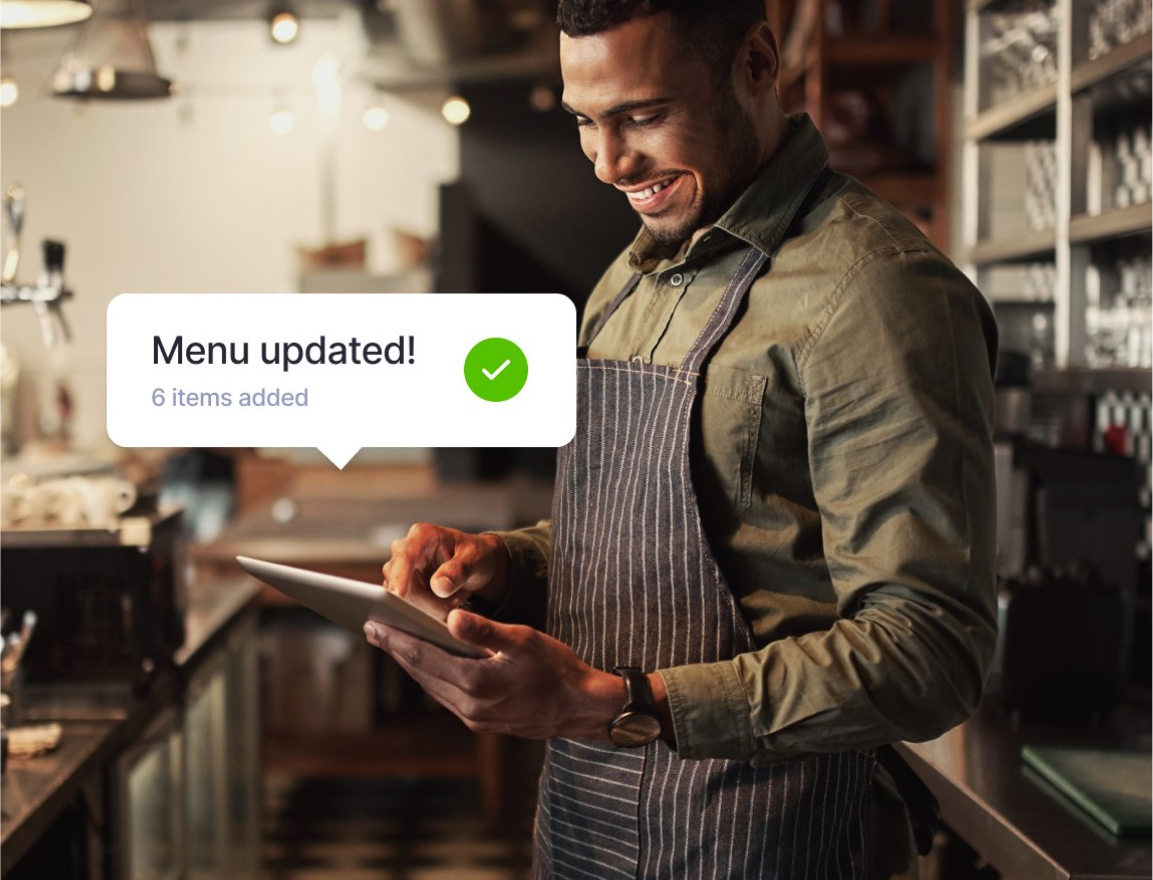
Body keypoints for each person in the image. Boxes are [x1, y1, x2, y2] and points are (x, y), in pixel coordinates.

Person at [363, 1, 998, 877]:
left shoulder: (877, 292)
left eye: (643, 115)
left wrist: (628, 705)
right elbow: (661, 528)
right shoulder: (628, 280)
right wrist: (504, 563)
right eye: (586, 122)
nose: (608, 162)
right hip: (587, 829)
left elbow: (931, 649)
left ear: (757, 62)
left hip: (773, 842)